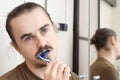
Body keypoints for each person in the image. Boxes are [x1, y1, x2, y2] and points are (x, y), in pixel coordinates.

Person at [0, 2, 80, 80]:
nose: (42, 43)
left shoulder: (71, 77)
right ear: (17, 48)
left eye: (44, 30)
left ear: (54, 28)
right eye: (28, 38)